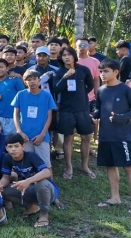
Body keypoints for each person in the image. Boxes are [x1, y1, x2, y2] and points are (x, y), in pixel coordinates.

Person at [0, 133, 57, 228]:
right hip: (29, 189)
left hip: (48, 190)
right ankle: (31, 206)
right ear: (6, 148)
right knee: (4, 191)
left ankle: (44, 215)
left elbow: (47, 172)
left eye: (16, 146)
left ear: (23, 146)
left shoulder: (31, 156)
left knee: (41, 183)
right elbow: (6, 177)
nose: (13, 149)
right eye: (10, 146)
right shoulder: (7, 157)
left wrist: (28, 181)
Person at [93, 59, 131, 207]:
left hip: (123, 135)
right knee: (110, 165)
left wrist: (120, 118)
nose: (102, 74)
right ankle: (115, 197)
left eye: (106, 71)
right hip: (105, 135)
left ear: (116, 72)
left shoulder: (125, 90)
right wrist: (93, 116)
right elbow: (98, 109)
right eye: (101, 71)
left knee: (128, 167)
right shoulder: (101, 90)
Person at [53, 46, 95, 179]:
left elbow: (90, 85)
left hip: (83, 109)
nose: (66, 57)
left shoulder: (84, 70)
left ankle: (85, 166)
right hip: (66, 110)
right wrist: (66, 77)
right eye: (64, 55)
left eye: (69, 54)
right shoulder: (58, 72)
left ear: (73, 56)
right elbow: (56, 89)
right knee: (68, 138)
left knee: (86, 137)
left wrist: (81, 95)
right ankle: (69, 166)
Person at [12, 70, 57, 167]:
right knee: (26, 163)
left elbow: (49, 117)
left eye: (34, 79)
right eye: (29, 79)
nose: (32, 82)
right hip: (25, 136)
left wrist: (42, 134)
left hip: (41, 136)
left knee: (46, 165)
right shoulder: (20, 95)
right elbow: (15, 115)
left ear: (39, 80)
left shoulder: (47, 96)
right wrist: (19, 131)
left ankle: (49, 182)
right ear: (25, 82)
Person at [0, 58, 25, 135]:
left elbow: (23, 96)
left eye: (1, 67)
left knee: (11, 142)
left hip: (13, 117)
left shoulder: (15, 80)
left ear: (7, 68)